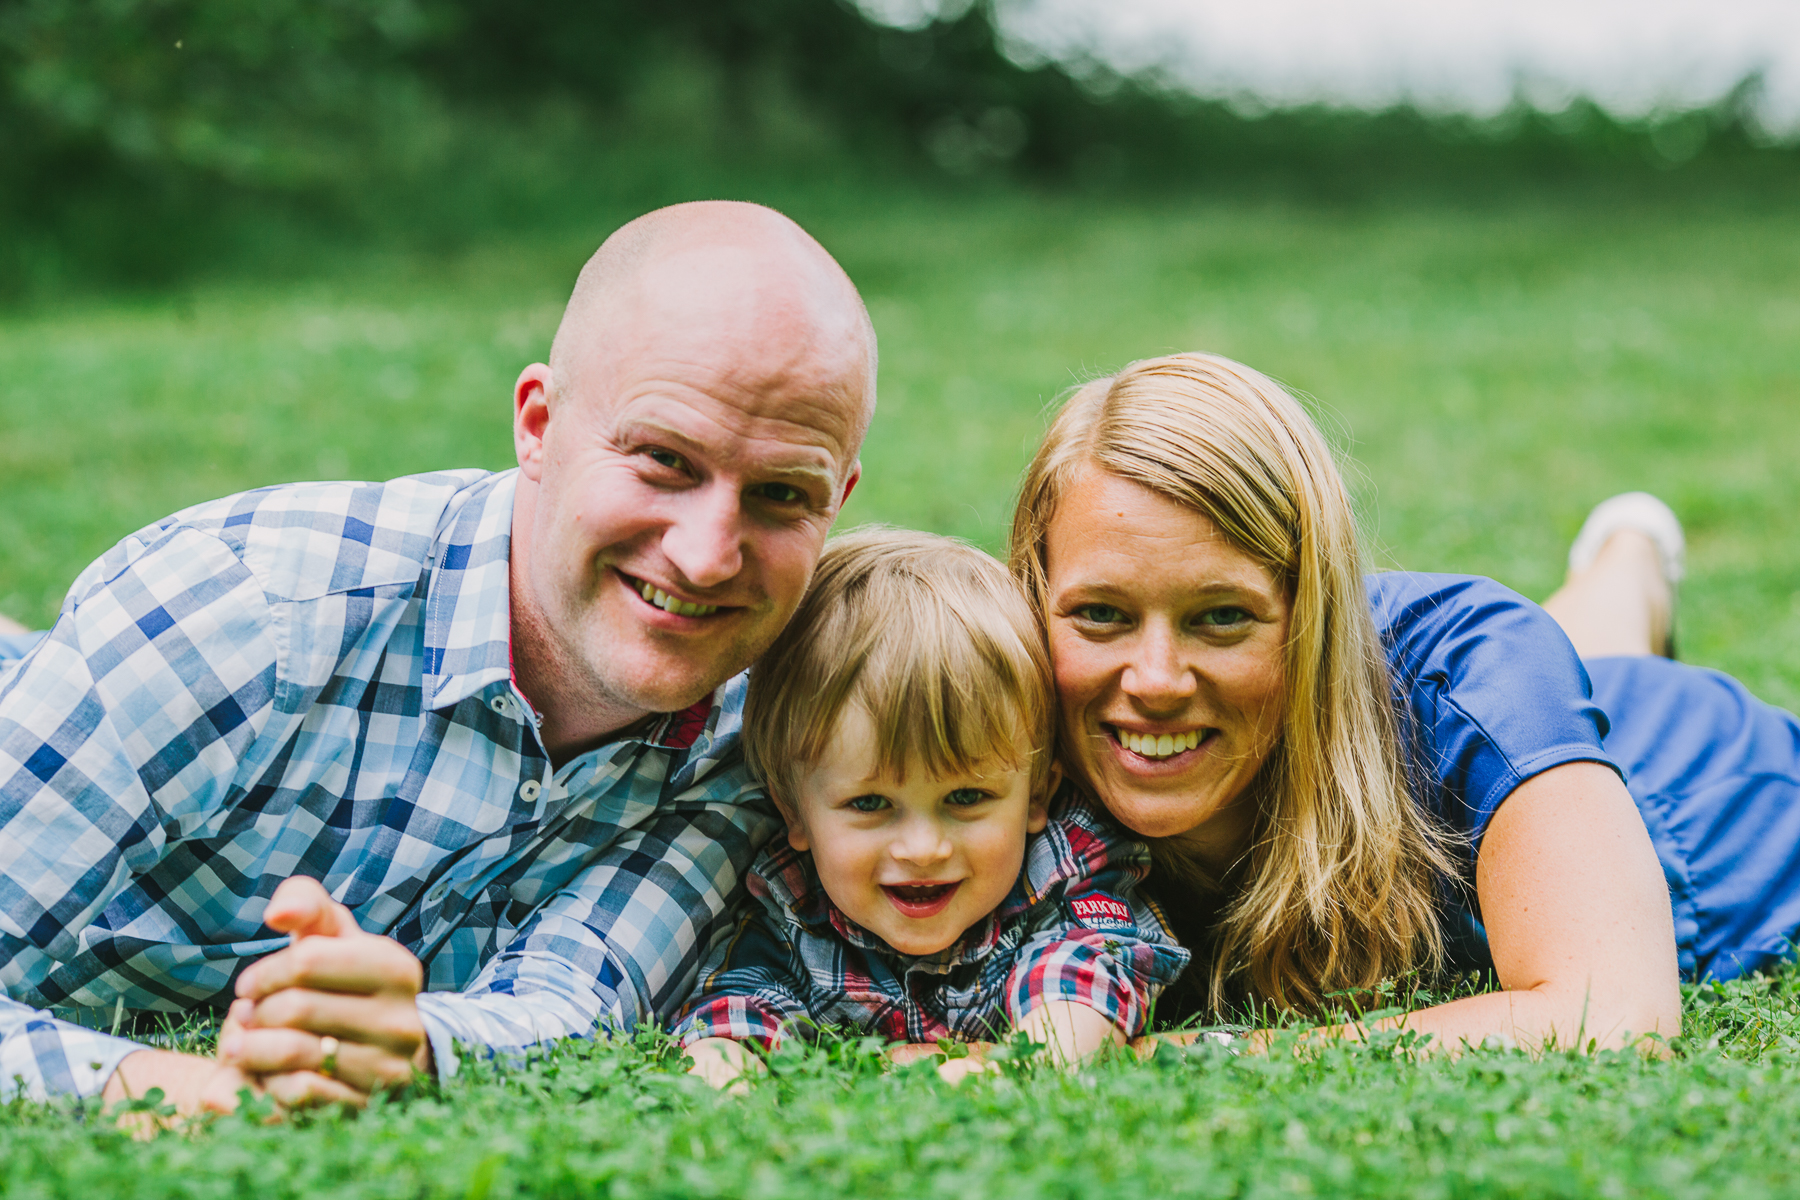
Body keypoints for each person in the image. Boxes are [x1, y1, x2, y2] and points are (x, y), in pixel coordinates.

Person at [0, 200, 876, 1112]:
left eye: (781, 494)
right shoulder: (243, 609)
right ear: (538, 425)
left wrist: (417, 1043)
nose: (706, 554)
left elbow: (574, 1002)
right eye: (663, 459)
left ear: (838, 498)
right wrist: (167, 1090)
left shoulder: (759, 739)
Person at [1009, 350, 1800, 1052]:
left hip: (1694, 787)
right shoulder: (992, 708)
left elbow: (1616, 1013)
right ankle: (1630, 560)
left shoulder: (1476, 671)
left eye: (1222, 617)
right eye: (1101, 614)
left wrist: (1189, 1056)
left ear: (1313, 616)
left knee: (1540, 689)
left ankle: (1630, 563)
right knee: (1583, 661)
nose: (1154, 681)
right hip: (1551, 705)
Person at [671, 529, 1188, 1087]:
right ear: (794, 811)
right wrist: (727, 1070)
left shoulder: (1057, 873)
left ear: (1037, 793)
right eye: (869, 804)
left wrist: (1029, 1068)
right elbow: (740, 1007)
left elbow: (1085, 966)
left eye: (965, 798)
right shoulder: (796, 906)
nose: (922, 849)